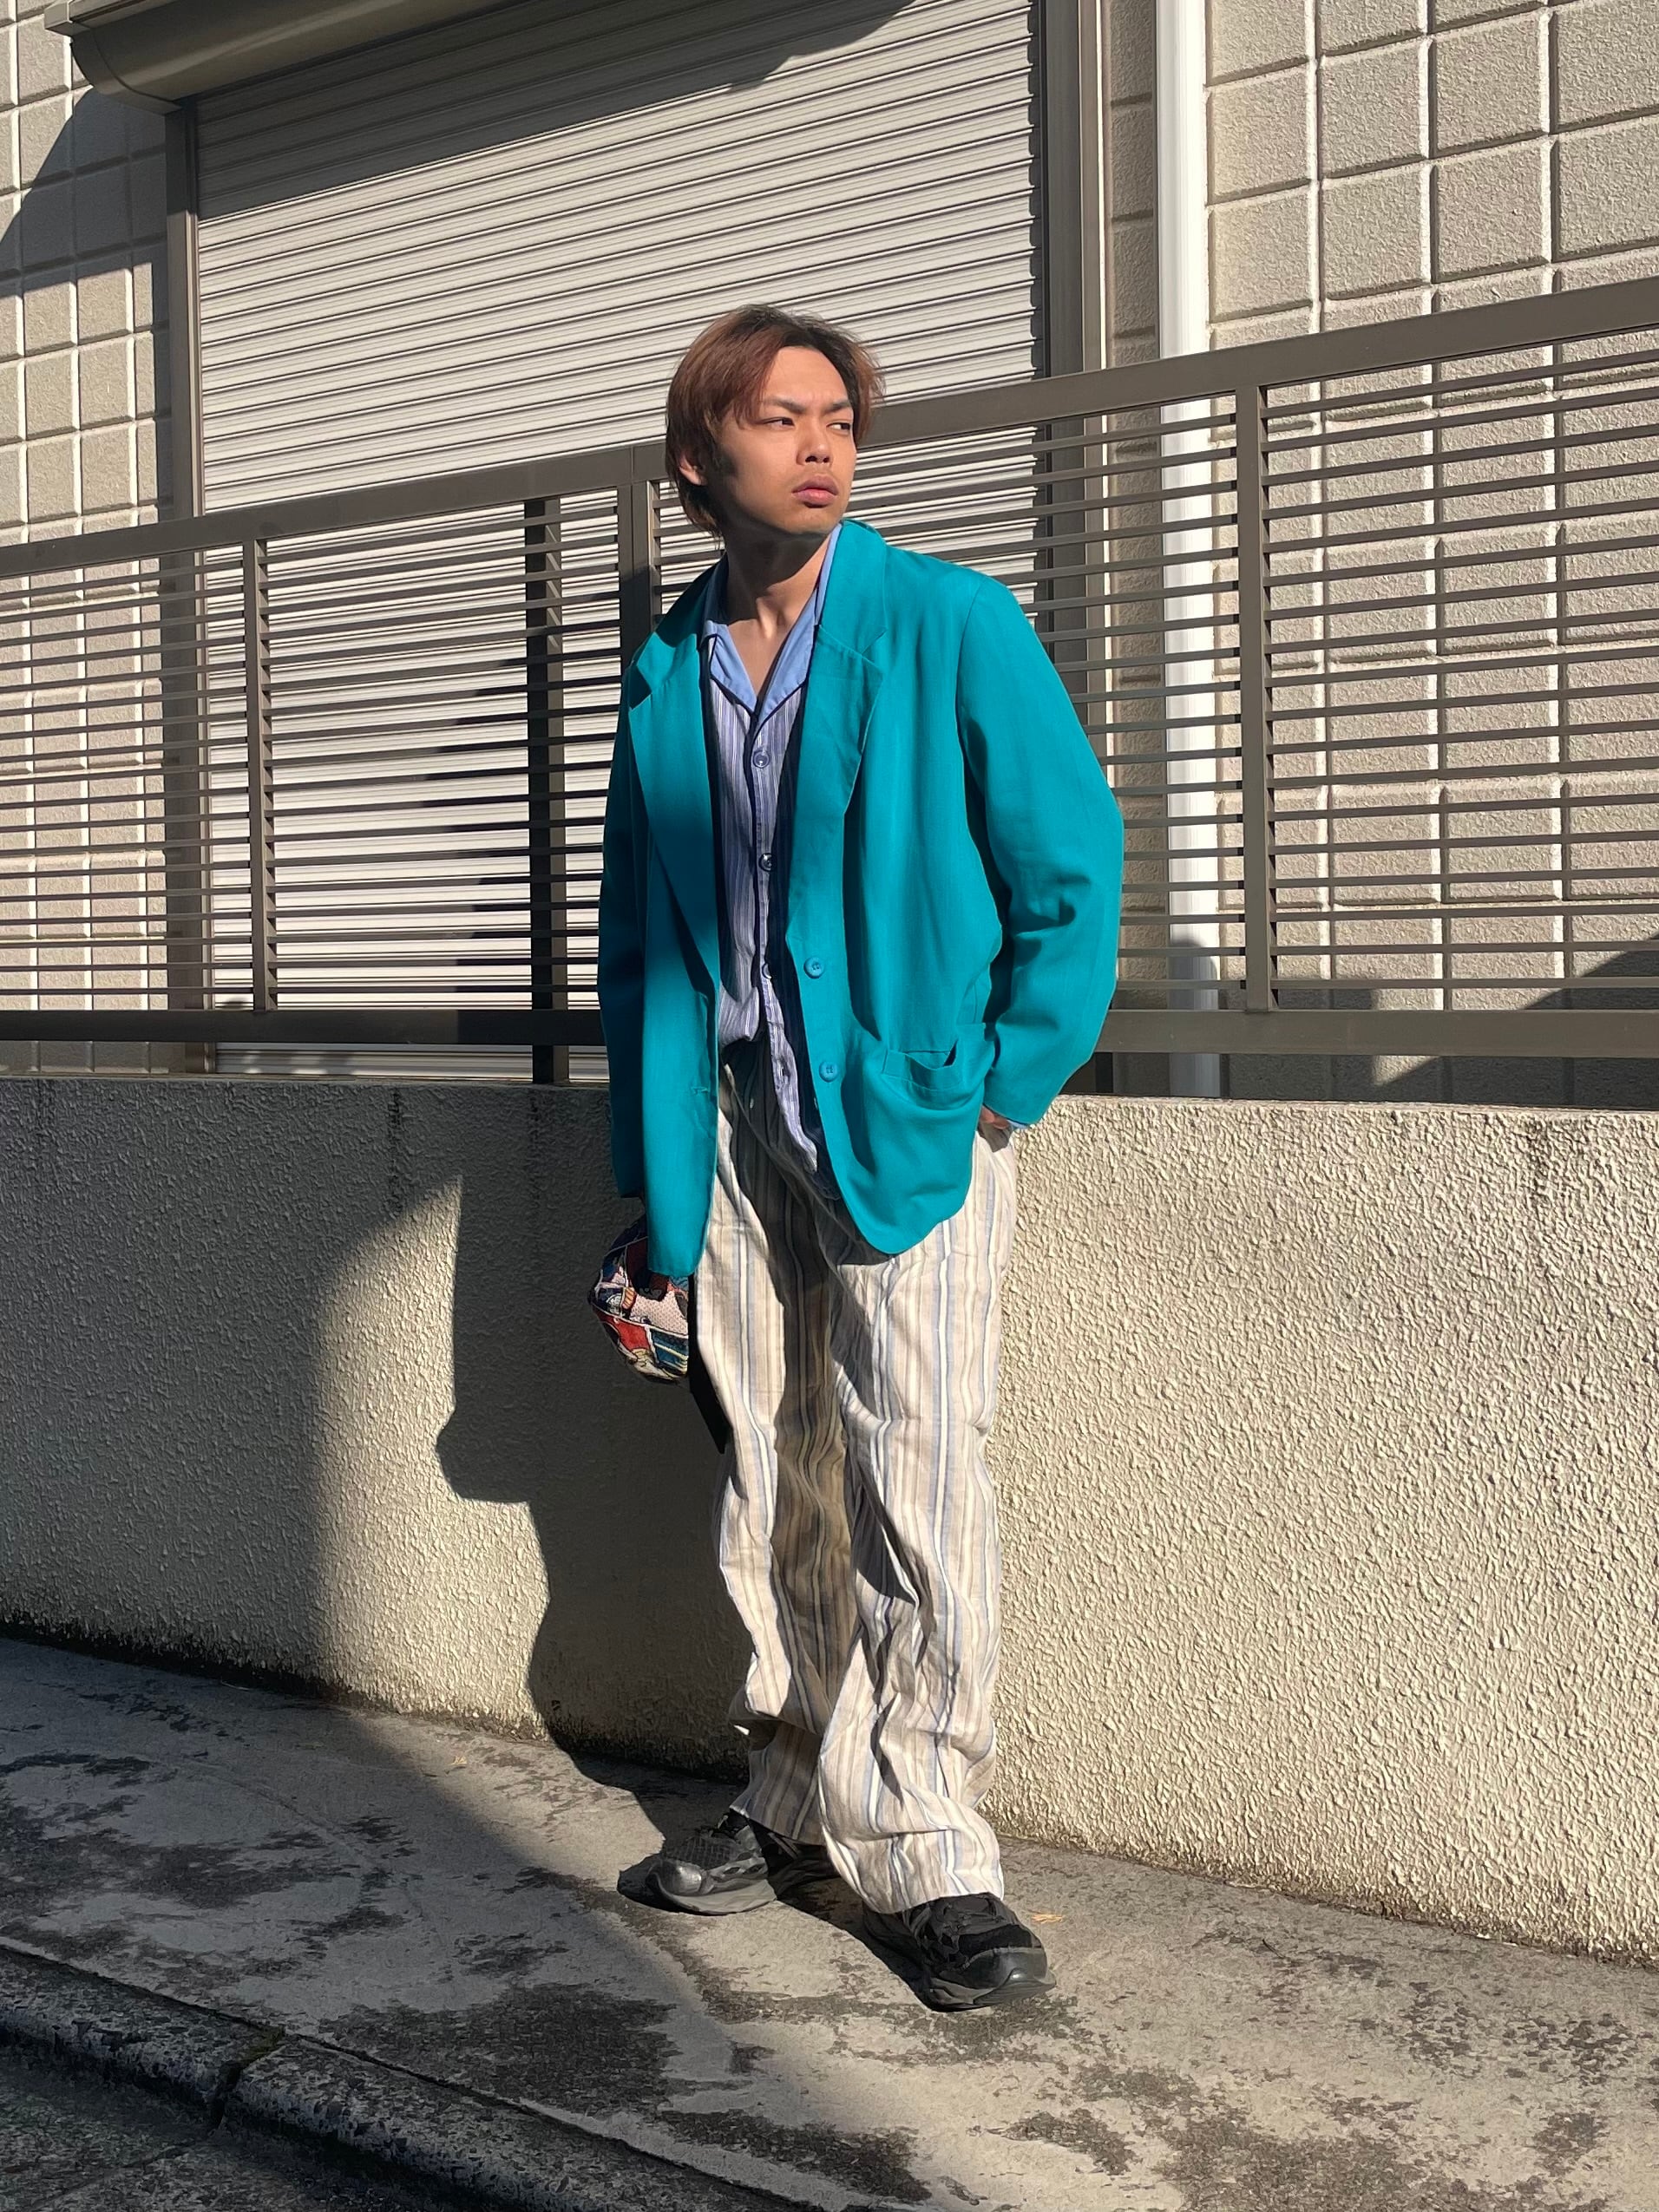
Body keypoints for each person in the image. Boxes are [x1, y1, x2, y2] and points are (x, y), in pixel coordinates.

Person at [598, 304, 1124, 2011]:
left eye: (839, 417)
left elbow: (1072, 872)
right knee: (774, 1466)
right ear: (701, 458)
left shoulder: (949, 624)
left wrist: (999, 1090)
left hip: (909, 1119)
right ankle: (791, 1783)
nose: (821, 443)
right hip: (736, 1125)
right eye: (780, 417)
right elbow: (640, 946)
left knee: (916, 1466)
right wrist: (655, 1190)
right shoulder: (668, 670)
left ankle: (929, 1845)